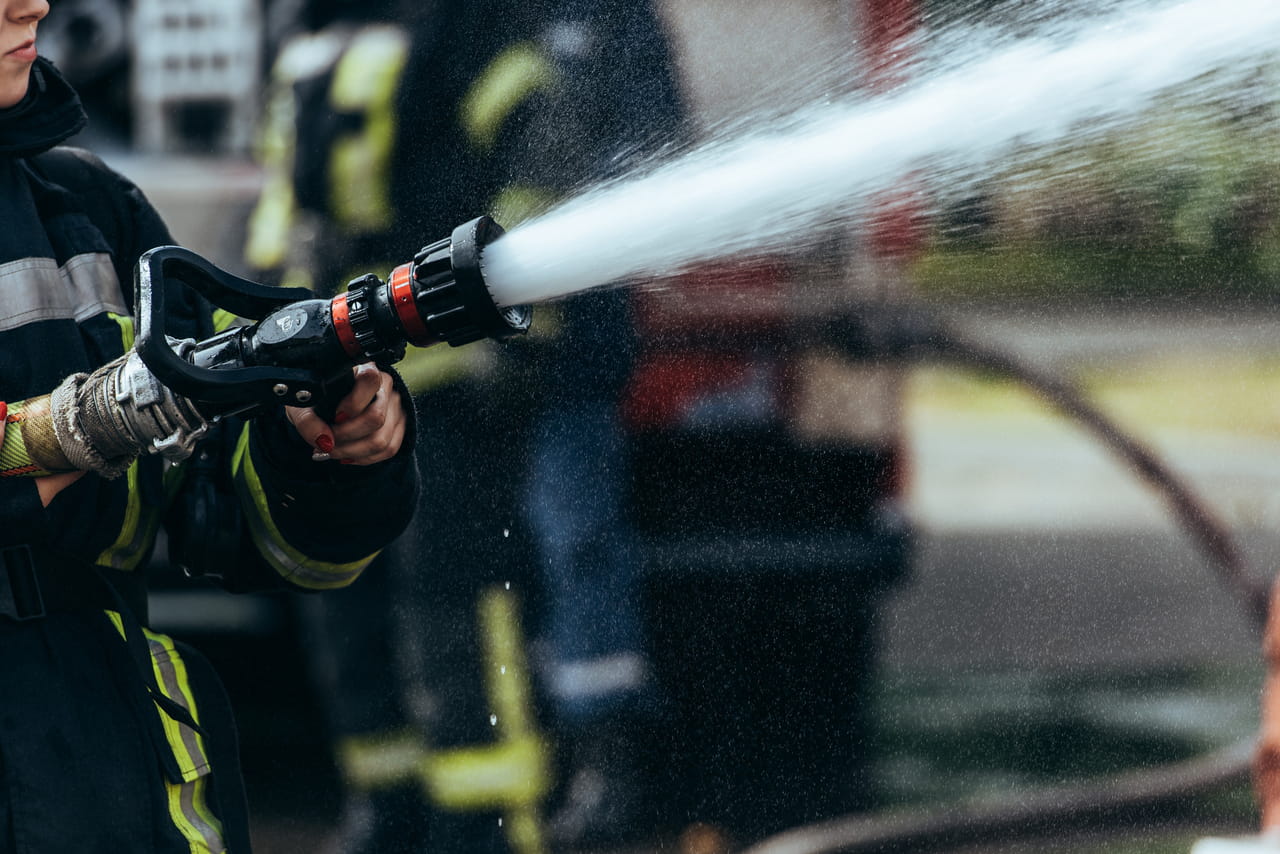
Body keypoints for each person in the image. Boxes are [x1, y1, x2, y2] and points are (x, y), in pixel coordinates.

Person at [243, 1, 684, 851]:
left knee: (452, 606)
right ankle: (392, 808)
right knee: (354, 605)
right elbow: (280, 207)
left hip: (440, 386)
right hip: (342, 381)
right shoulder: (315, 36)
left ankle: (485, 820)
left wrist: (521, 332)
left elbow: (536, 165)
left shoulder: (458, 29)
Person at [0, 1, 419, 851]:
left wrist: (316, 450)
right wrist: (71, 430)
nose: (32, 4)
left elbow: (239, 527)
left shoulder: (88, 211)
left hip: (111, 786)